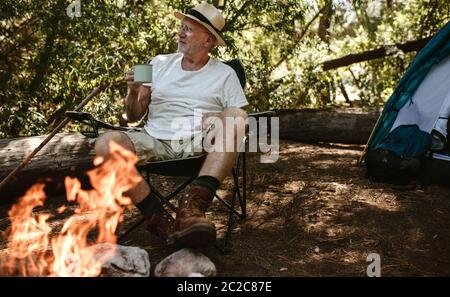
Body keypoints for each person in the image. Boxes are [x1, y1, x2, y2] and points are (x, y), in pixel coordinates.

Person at [94, 2, 248, 248]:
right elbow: (132, 115)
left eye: (188, 29)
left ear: (208, 40)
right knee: (105, 144)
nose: (180, 33)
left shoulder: (226, 74)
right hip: (154, 140)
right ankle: (159, 218)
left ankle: (193, 206)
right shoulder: (156, 63)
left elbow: (238, 115)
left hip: (198, 145)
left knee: (237, 116)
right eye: (181, 27)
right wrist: (133, 93)